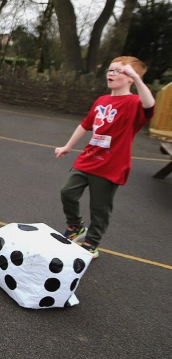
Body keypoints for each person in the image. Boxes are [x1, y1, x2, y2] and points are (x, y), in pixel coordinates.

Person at [54, 56, 155, 258]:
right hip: (88, 158)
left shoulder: (135, 103)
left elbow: (149, 104)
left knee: (99, 208)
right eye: (110, 70)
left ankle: (92, 242)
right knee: (67, 192)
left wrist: (137, 76)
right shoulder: (101, 101)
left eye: (119, 71)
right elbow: (85, 124)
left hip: (111, 165)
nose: (111, 73)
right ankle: (75, 227)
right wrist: (67, 146)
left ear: (130, 79)